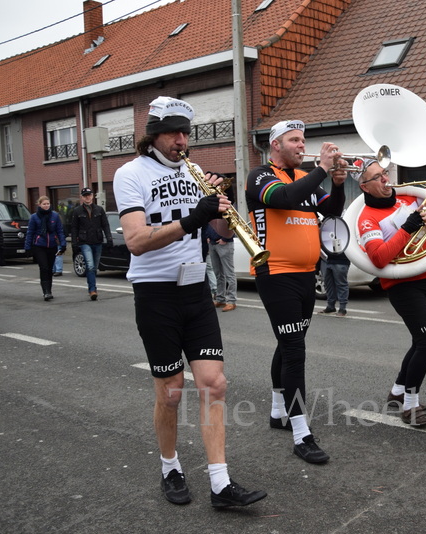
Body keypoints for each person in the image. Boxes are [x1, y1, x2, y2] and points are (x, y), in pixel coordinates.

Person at [114, 96, 266, 508]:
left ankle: (220, 484)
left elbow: (213, 228)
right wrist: (192, 219)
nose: (182, 140)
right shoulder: (130, 174)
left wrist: (220, 213)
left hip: (196, 290)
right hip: (156, 293)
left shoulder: (193, 171)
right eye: (173, 133)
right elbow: (136, 241)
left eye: (186, 133)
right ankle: (170, 466)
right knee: (170, 392)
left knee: (214, 384)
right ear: (153, 135)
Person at [245, 120, 347, 464]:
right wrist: (321, 169)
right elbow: (286, 198)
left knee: (288, 343)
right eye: (294, 140)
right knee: (294, 348)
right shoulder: (261, 175)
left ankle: (278, 412)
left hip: (305, 274)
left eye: (303, 140)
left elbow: (331, 211)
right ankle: (302, 434)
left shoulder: (303, 176)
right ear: (276, 145)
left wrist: (337, 183)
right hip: (275, 273)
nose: (301, 145)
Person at [356, 136, 426, 428]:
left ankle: (396, 392)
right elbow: (379, 258)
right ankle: (410, 405)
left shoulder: (405, 196)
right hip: (402, 286)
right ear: (364, 186)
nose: (385, 179)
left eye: (385, 173)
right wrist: (409, 226)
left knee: (422, 340)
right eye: (377, 177)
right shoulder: (366, 218)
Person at [70, 187, 112, 300]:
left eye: (89, 195)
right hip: (84, 242)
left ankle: (92, 287)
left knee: (94, 268)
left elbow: (105, 225)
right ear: (82, 197)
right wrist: (74, 242)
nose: (87, 197)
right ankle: (92, 290)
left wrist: (109, 238)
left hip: (97, 241)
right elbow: (74, 228)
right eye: (85, 195)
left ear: (92, 196)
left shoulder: (99, 209)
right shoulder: (77, 211)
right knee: (90, 265)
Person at [24, 196, 66, 301]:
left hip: (52, 245)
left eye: (48, 204)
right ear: (39, 205)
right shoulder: (34, 217)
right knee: (44, 268)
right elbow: (30, 232)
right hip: (39, 245)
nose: (46, 206)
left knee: (50, 269)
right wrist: (28, 246)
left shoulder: (55, 216)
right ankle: (45, 292)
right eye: (44, 204)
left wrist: (63, 244)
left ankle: (49, 290)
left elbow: (60, 231)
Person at [206, 215, 237, 312]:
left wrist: (225, 239)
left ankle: (231, 301)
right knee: (218, 274)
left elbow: (233, 224)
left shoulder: (226, 209)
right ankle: (220, 299)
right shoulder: (212, 209)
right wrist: (207, 236)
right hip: (212, 244)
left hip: (225, 244)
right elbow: (207, 224)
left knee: (229, 274)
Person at [318, 251, 350, 317]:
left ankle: (342, 309)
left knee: (341, 284)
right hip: (327, 259)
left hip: (341, 260)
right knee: (328, 284)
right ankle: (331, 307)